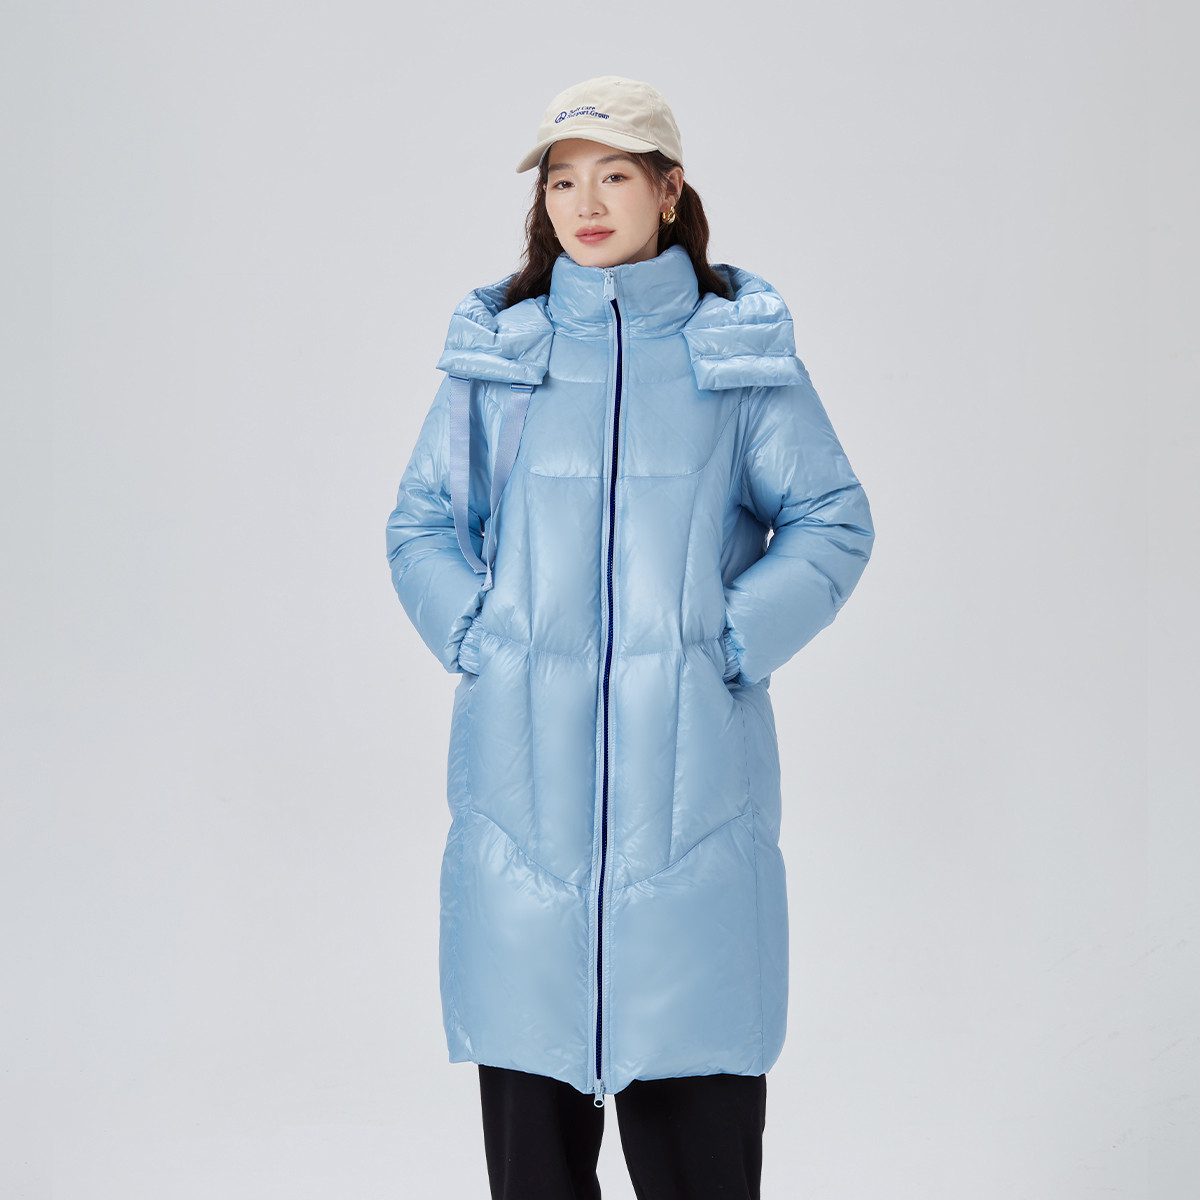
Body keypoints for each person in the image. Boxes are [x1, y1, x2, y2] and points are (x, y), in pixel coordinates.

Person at [385, 75, 874, 1200]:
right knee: (534, 1170)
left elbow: (833, 518)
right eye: (563, 182)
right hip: (522, 820)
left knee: (699, 1158)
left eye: (614, 176)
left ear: (670, 189)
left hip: (691, 820)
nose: (587, 203)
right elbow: (421, 521)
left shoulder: (735, 357)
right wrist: (479, 629)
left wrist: (728, 640)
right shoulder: (503, 356)